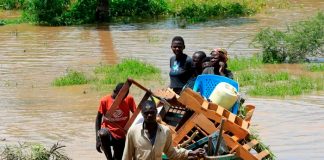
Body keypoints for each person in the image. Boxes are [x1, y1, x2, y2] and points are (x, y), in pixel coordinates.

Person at [122, 99, 205, 160]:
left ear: (156, 112)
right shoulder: (133, 132)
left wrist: (190, 152)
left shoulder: (165, 131)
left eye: (152, 112)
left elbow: (172, 153)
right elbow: (127, 156)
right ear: (142, 114)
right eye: (146, 113)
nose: (149, 115)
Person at [95, 83, 137, 160]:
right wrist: (97, 139)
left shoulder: (129, 99)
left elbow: (136, 115)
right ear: (115, 91)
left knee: (118, 158)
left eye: (125, 96)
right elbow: (98, 119)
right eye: (121, 96)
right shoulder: (105, 100)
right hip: (109, 133)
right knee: (102, 133)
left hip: (122, 134)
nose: (123, 99)